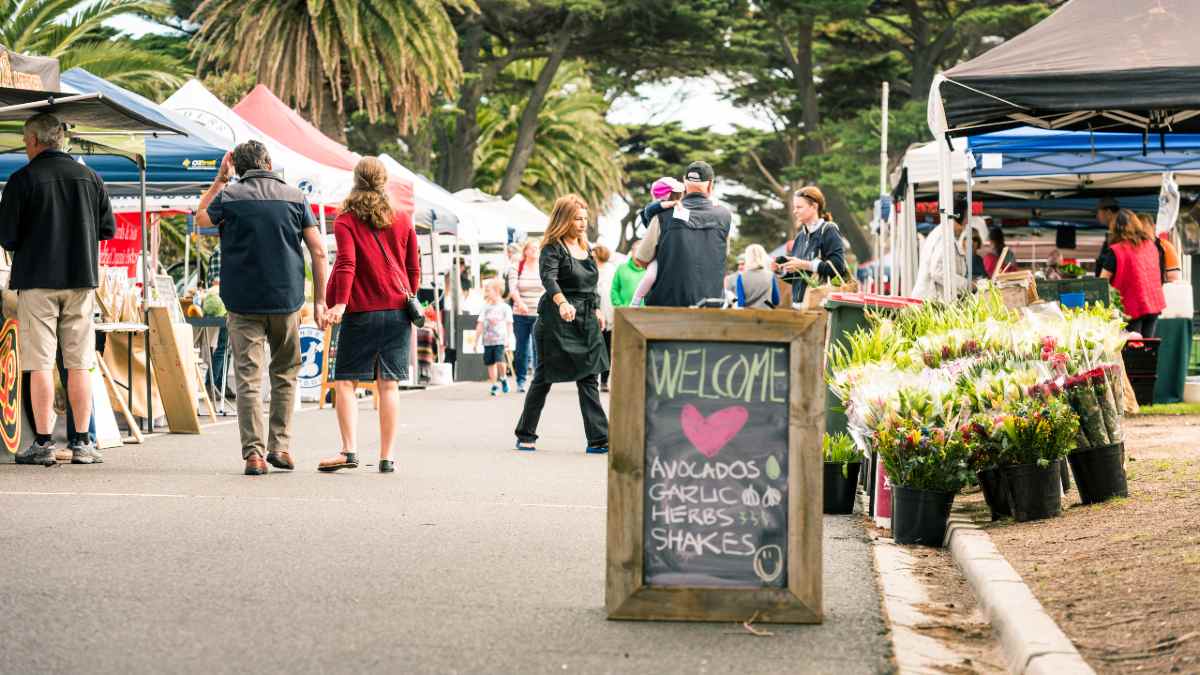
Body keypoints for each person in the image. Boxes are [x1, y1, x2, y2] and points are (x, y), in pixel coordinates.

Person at [196, 140, 329, 476]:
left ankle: (254, 455)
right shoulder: (297, 198)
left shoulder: (229, 196)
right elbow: (319, 251)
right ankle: (280, 447)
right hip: (286, 301)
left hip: (242, 303)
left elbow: (200, 218)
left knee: (248, 378)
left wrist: (219, 180)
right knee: (285, 373)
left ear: (237, 168)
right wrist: (321, 300)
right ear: (268, 162)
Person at [0, 113, 115, 466]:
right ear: (60, 140)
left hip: (36, 282)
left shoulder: (22, 180)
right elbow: (107, 230)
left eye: (25, 140)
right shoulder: (90, 177)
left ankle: (45, 443)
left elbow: (6, 237)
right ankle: (82, 442)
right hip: (81, 280)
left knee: (40, 363)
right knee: (79, 363)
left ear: (34, 141)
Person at [314, 157, 419, 473]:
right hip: (398, 311)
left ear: (355, 180)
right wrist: (408, 296)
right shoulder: (401, 218)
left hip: (361, 312)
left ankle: (349, 451)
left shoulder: (346, 219)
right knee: (389, 385)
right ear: (383, 182)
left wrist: (340, 304)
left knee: (345, 381)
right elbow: (413, 267)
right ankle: (387, 457)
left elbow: (347, 263)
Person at [514, 195, 609, 453]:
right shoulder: (553, 247)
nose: (582, 224)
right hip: (557, 319)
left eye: (584, 219)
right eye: (577, 218)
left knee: (589, 377)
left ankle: (599, 439)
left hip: (586, 318)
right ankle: (526, 432)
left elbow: (591, 284)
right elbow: (549, 277)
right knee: (544, 377)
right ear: (564, 219)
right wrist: (562, 302)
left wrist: (598, 308)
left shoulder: (586, 247)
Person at [640, 162, 732, 307]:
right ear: (710, 185)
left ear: (684, 182)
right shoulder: (725, 216)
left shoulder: (662, 215)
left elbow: (641, 259)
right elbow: (723, 254)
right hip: (711, 306)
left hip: (666, 307)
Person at [1097, 209, 1165, 337]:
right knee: (1147, 350)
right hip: (1153, 305)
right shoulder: (1151, 246)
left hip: (1130, 307)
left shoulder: (1116, 251)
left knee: (1132, 351)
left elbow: (1102, 282)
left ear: (1115, 228)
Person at [776, 185, 848, 304]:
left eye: (799, 207)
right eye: (795, 207)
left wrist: (805, 265)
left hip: (820, 305)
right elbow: (798, 279)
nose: (795, 211)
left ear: (814, 206)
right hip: (799, 306)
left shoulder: (829, 230)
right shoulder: (800, 236)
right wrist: (782, 270)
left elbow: (838, 267)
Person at [911, 200, 970, 300]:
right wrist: (966, 284)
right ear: (959, 215)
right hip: (928, 301)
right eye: (966, 215)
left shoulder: (943, 233)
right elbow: (938, 271)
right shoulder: (944, 237)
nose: (967, 221)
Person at [508, 238, 544, 393]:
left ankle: (538, 379)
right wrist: (520, 302)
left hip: (539, 314)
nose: (535, 251)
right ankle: (521, 380)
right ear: (526, 251)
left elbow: (548, 287)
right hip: (520, 314)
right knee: (522, 347)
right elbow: (512, 288)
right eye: (532, 248)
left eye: (537, 248)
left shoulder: (543, 267)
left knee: (538, 347)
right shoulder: (517, 267)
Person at [475, 278, 514, 396]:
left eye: (488, 290)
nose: (486, 293)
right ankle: (494, 385)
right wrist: (476, 340)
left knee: (500, 361)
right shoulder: (485, 308)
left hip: (500, 340)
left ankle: (503, 378)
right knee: (490, 363)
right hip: (487, 341)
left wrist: (509, 338)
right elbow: (480, 324)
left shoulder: (505, 307)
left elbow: (509, 324)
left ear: (497, 291)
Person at [594, 244, 616, 392]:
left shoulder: (611, 269)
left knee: (607, 348)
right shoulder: (591, 268)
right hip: (594, 310)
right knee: (594, 347)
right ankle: (592, 379)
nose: (592, 255)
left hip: (609, 311)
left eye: (594, 253)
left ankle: (604, 380)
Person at [609, 241, 647, 313]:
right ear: (632, 252)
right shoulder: (621, 268)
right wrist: (620, 307)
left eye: (641, 252)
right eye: (636, 252)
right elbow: (614, 290)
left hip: (644, 314)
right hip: (625, 313)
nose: (638, 255)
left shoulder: (649, 271)